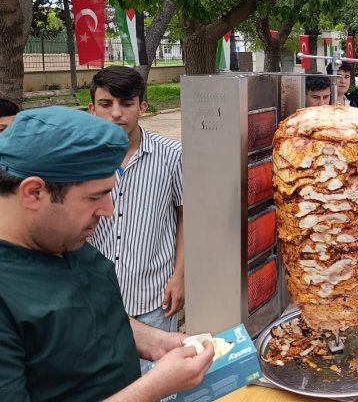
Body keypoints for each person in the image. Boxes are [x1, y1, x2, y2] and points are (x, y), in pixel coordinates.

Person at [0, 107, 213, 400]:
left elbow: (88, 315)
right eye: (94, 196)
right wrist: (154, 387)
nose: (109, 211)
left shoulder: (58, 236)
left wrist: (153, 341)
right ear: (34, 193)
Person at [89, 66, 184, 334]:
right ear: (92, 108)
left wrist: (180, 276)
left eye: (126, 103)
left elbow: (185, 217)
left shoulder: (172, 155)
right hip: (99, 296)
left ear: (142, 107)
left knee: (156, 372)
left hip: (154, 298)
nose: (116, 113)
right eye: (106, 104)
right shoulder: (82, 159)